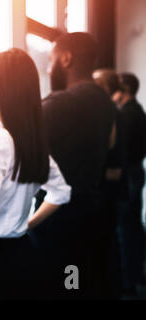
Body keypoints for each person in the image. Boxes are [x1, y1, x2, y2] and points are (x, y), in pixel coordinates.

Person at [0, 48, 71, 300]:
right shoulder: (29, 139)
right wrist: (26, 225)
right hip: (23, 249)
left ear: (3, 86)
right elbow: (62, 192)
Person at [30, 32, 117, 299]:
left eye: (51, 59)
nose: (48, 66)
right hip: (90, 210)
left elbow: (20, 144)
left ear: (66, 58)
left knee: (61, 286)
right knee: (77, 282)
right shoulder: (105, 101)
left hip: (59, 220)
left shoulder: (62, 103)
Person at [92, 68, 126, 298]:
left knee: (107, 244)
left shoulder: (112, 113)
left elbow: (115, 164)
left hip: (107, 192)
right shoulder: (110, 111)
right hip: (107, 191)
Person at [115, 72, 146, 296]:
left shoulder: (126, 114)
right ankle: (136, 275)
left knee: (125, 229)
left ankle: (128, 283)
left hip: (129, 175)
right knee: (133, 225)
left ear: (123, 88)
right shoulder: (138, 110)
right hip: (137, 172)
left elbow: (120, 151)